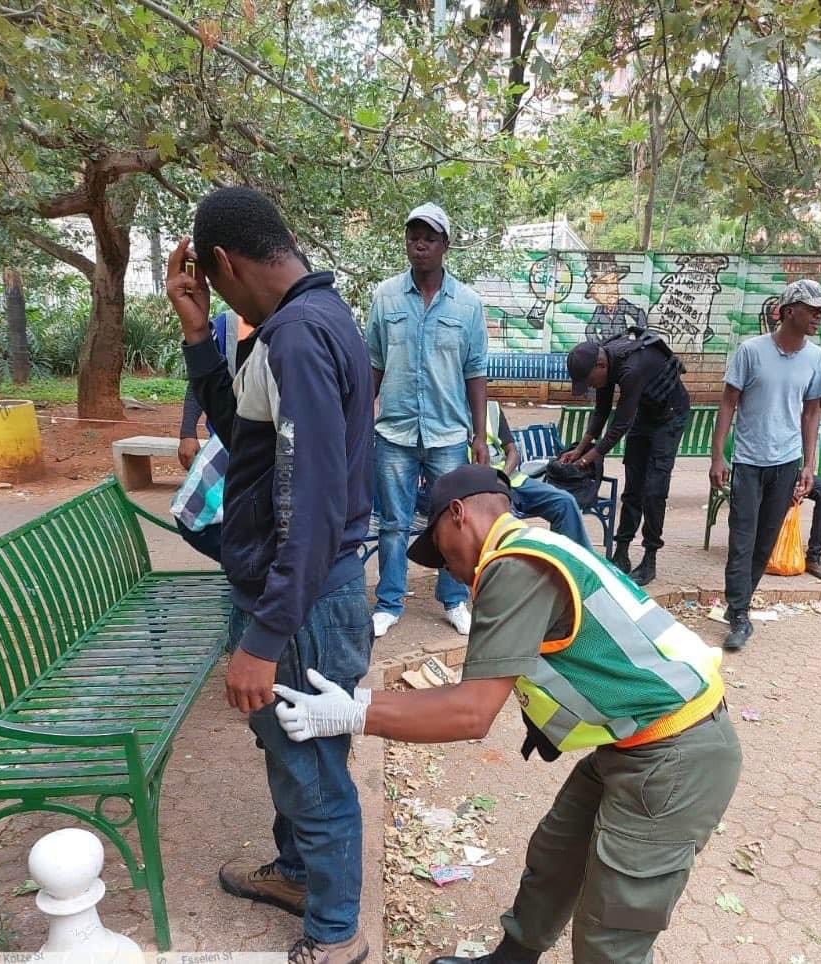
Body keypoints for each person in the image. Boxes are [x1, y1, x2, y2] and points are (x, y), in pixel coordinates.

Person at [273, 464, 742, 964]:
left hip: (676, 758)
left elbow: (470, 714)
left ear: (458, 515)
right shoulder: (535, 547)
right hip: (636, 745)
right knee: (555, 858)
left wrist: (353, 711)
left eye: (440, 552)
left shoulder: (513, 567)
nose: (446, 569)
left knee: (614, 928)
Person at [165, 186, 374, 964]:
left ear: (223, 261)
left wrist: (264, 636)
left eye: (211, 287)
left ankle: (334, 935)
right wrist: (197, 331)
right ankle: (296, 876)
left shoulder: (297, 336)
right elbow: (244, 433)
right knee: (290, 752)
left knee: (311, 767)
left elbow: (312, 504)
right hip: (296, 591)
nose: (214, 294)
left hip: (305, 601)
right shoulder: (306, 321)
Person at [367, 202, 489, 639]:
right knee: (395, 522)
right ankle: (389, 602)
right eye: (413, 236)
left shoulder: (469, 304)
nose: (419, 244)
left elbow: (475, 371)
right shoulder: (384, 297)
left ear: (445, 246)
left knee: (454, 521)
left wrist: (479, 435)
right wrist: (364, 414)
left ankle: (455, 599)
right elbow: (375, 362)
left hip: (448, 433)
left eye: (429, 237)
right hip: (395, 431)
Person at [710, 279, 821, 651]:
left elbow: (811, 412)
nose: (819, 316)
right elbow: (729, 403)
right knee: (742, 540)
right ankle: (739, 613)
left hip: (787, 463)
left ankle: (741, 605)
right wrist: (718, 456)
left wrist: (809, 464)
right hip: (748, 462)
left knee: (765, 542)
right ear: (788, 311)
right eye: (813, 310)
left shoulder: (817, 358)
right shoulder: (750, 351)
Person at [560, 330, 690, 587]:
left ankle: (650, 557)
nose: (591, 387)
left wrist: (587, 460)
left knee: (654, 490)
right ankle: (621, 552)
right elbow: (602, 410)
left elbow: (619, 426)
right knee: (633, 486)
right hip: (645, 412)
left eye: (589, 382)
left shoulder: (631, 368)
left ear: (600, 365)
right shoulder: (605, 359)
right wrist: (581, 448)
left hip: (670, 417)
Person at [171, 309, 250, 564]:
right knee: (207, 512)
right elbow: (201, 376)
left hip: (271, 445)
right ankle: (247, 574)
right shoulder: (227, 324)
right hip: (228, 441)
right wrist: (187, 432)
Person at [478, 399, 593, 550]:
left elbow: (512, 452)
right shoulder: (450, 414)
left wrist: (503, 477)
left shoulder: (492, 408)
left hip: (511, 479)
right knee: (504, 520)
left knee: (565, 502)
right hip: (482, 486)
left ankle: (575, 565)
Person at [583, 254, 647, 342]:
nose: (613, 289)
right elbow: (589, 329)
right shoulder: (599, 310)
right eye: (604, 284)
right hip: (607, 348)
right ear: (594, 293)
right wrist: (598, 345)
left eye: (614, 282)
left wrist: (639, 337)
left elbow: (640, 314)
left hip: (623, 346)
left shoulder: (622, 304)